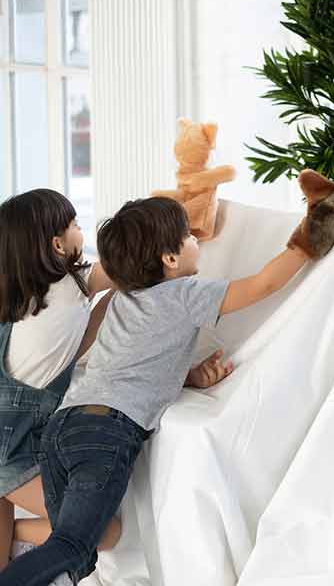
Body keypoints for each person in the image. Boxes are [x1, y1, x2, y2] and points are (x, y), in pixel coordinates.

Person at [0, 197, 311, 585]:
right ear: (169, 259)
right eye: (187, 236)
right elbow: (264, 284)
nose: (196, 240)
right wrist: (308, 238)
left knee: (95, 538)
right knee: (73, 545)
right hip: (101, 435)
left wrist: (189, 375)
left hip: (63, 430)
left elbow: (133, 365)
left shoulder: (117, 300)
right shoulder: (184, 294)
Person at [0, 190, 121, 575]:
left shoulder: (19, 301)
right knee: (105, 531)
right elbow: (130, 265)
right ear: (57, 244)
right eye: (75, 225)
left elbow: (68, 349)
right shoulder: (69, 288)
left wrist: (102, 308)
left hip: (14, 446)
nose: (80, 231)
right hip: (9, 455)